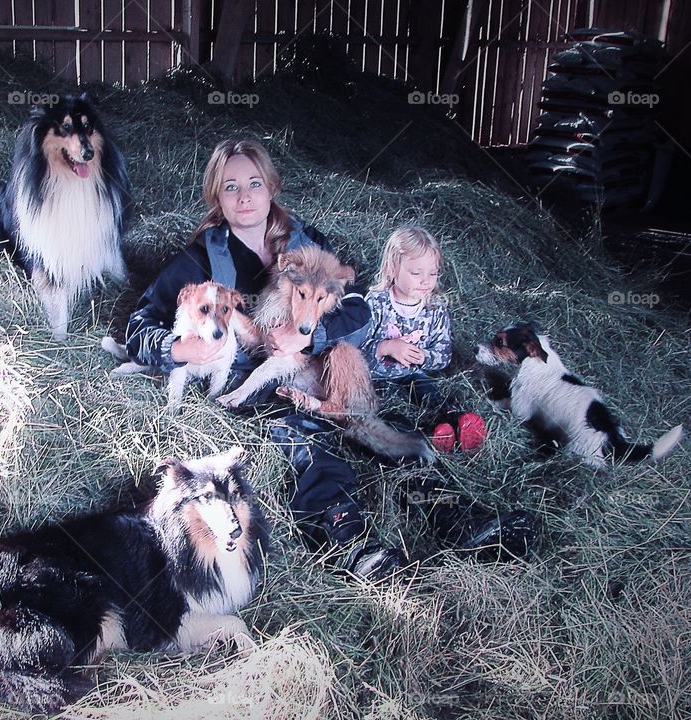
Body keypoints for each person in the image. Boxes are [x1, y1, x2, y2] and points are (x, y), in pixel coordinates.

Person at [125, 139, 533, 579]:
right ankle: (353, 544)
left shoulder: (306, 241)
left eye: (254, 183)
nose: (244, 196)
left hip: (325, 362)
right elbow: (139, 325)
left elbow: (358, 306)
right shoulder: (200, 257)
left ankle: (460, 518)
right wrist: (179, 349)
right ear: (215, 196)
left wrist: (310, 337)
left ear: (272, 187)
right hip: (261, 382)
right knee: (306, 442)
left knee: (378, 430)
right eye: (230, 187)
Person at [363, 226, 487, 453]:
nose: (426, 281)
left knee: (430, 393)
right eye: (416, 273)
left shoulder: (435, 308)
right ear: (392, 270)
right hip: (376, 377)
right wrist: (386, 347)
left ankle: (453, 423)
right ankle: (415, 435)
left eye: (433, 273)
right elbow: (356, 349)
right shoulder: (376, 302)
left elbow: (443, 354)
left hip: (413, 374)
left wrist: (425, 357)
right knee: (382, 408)